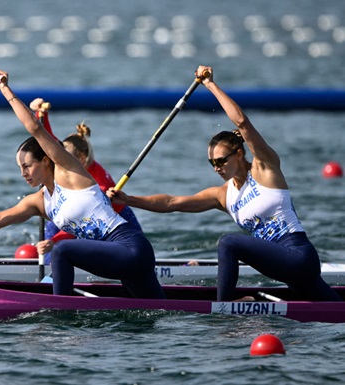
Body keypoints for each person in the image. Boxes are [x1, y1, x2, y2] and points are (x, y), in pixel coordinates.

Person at [0, 69, 165, 299]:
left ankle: (59, 310)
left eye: (27, 166)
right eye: (20, 168)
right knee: (160, 312)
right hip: (119, 261)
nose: (23, 174)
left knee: (61, 250)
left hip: (131, 247)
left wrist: (4, 88)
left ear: (46, 161)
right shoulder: (38, 202)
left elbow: (34, 128)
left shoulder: (68, 171)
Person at [108, 65, 341, 302]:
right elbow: (172, 202)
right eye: (212, 163)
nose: (217, 168)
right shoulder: (224, 195)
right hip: (286, 270)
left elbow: (242, 122)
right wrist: (128, 199)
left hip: (298, 255)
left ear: (239, 154)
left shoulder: (265, 168)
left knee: (229, 242)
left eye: (221, 161)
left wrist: (209, 84)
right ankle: (242, 303)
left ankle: (224, 306)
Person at [28, 99, 142, 264]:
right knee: (53, 226)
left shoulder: (98, 182)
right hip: (83, 218)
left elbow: (84, 221)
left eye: (63, 156)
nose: (58, 161)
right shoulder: (72, 165)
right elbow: (48, 140)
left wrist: (54, 241)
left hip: (116, 222)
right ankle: (49, 268)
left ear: (80, 157)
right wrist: (41, 114)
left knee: (57, 234)